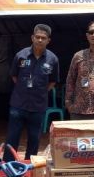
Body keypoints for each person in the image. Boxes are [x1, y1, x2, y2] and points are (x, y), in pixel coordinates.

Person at [3, 24, 59, 162]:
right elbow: (14, 76)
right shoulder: (21, 56)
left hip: (38, 106)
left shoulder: (52, 59)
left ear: (48, 40)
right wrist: (24, 88)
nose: (40, 40)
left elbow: (53, 81)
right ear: (32, 38)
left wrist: (40, 91)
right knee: (12, 138)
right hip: (18, 104)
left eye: (43, 38)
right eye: (37, 37)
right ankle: (8, 167)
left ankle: (29, 168)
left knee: (34, 139)